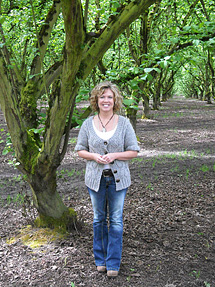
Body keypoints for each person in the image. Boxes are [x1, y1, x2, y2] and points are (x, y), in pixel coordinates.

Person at [74, 81, 140, 277]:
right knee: (98, 219)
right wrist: (94, 156)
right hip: (95, 179)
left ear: (115, 100)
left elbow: (134, 151)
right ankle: (100, 260)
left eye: (109, 97)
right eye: (102, 97)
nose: (106, 100)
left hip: (118, 180)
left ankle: (113, 263)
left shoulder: (125, 123)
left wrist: (115, 155)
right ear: (96, 99)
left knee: (116, 220)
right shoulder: (87, 123)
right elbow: (79, 150)